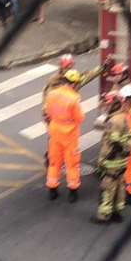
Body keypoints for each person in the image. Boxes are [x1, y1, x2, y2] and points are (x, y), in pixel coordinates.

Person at [43, 68, 85, 202]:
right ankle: (73, 192)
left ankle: (52, 190)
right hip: (69, 134)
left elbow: (48, 112)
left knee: (54, 161)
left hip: (55, 130)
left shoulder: (52, 94)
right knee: (71, 163)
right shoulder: (74, 98)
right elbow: (79, 118)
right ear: (73, 83)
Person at [93, 91, 131, 223]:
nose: (106, 106)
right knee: (120, 186)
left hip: (112, 161)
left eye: (109, 104)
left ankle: (104, 215)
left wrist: (104, 161)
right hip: (122, 161)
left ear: (116, 104)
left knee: (107, 188)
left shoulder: (114, 121)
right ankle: (117, 212)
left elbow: (114, 142)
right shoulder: (124, 117)